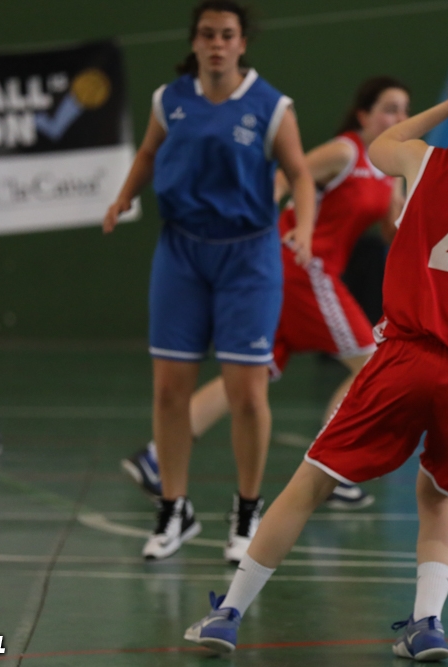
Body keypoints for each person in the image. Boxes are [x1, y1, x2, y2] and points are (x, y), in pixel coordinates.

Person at [183, 46, 448, 660]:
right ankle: (428, 624)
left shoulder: (423, 163)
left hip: (409, 357)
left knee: (311, 482)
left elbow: (382, 143)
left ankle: (229, 614)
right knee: (439, 497)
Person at [121, 76, 411, 511]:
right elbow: (285, 177)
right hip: (301, 266)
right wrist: (264, 224)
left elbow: (392, 230)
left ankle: (154, 457)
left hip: (300, 275)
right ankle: (331, 469)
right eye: (389, 109)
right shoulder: (345, 151)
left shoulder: (389, 169)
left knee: (250, 376)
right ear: (364, 115)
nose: (398, 117)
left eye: (404, 110)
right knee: (373, 363)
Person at [102, 1, 315, 564]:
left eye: (226, 35)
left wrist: (305, 227)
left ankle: (246, 513)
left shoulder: (271, 106)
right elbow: (148, 153)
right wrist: (124, 196)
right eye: (207, 34)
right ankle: (174, 509)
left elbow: (299, 173)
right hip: (182, 253)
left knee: (247, 393)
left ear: (242, 43)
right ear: (194, 42)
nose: (216, 44)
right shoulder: (170, 100)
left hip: (248, 257)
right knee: (169, 390)